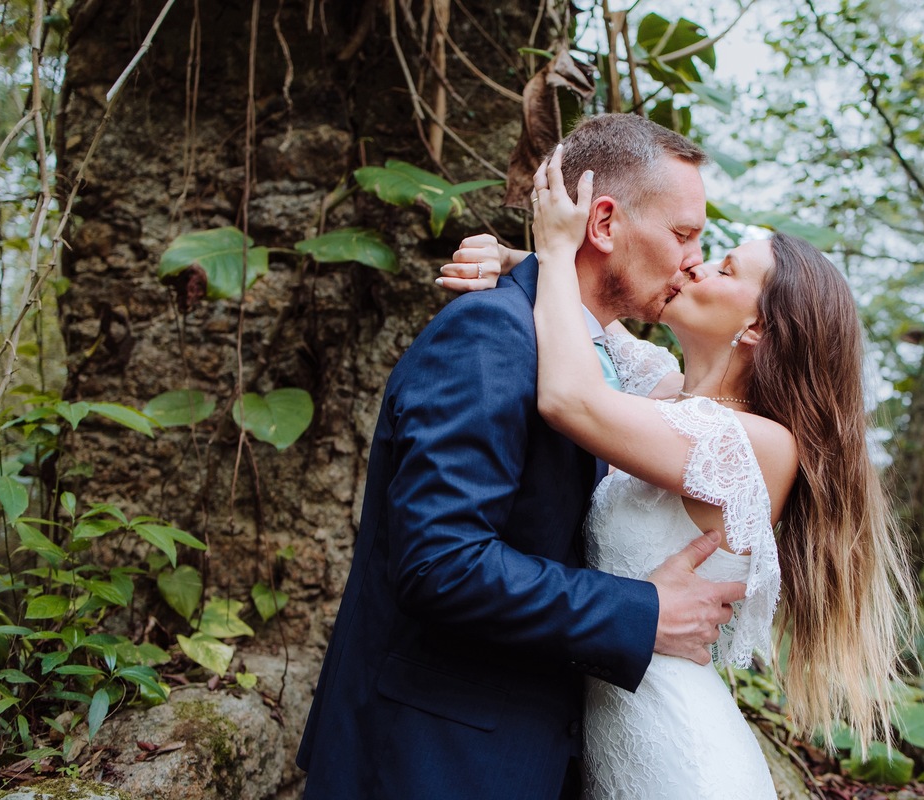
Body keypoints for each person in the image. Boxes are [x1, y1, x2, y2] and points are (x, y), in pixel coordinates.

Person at [296, 114, 749, 800]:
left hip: (537, 750)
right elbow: (440, 562)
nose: (693, 259)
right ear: (602, 224)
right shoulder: (490, 334)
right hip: (431, 760)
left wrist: (522, 260)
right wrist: (642, 611)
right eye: (683, 234)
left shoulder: (600, 360)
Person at [446, 148, 916, 797]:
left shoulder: (758, 445)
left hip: (682, 761)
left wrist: (554, 251)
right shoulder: (669, 396)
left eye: (723, 267)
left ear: (755, 325)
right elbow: (593, 329)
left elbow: (570, 398)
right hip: (619, 741)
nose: (694, 263)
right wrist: (514, 261)